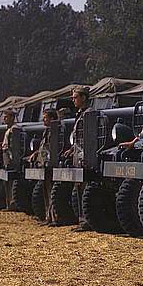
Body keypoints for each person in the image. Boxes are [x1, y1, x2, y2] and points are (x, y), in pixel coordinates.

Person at [61, 86, 92, 231]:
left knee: (84, 189)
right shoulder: (81, 114)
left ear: (84, 98)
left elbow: (88, 138)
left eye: (75, 97)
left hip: (84, 158)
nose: (73, 100)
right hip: (78, 156)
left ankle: (87, 221)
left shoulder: (89, 114)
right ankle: (82, 220)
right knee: (79, 189)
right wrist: (72, 149)